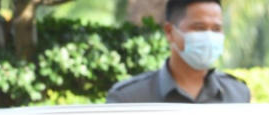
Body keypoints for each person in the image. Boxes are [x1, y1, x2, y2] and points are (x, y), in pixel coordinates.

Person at [106, 0, 250, 104]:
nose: (209, 36)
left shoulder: (237, 94)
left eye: (216, 29)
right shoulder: (128, 98)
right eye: (199, 28)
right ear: (170, 32)